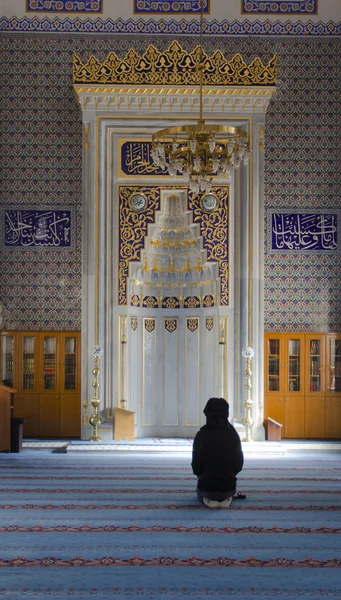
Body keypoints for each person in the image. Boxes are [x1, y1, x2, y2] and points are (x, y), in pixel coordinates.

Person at [191, 397, 244, 509]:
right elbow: (239, 464)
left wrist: (202, 476)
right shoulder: (233, 434)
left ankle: (209, 499)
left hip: (207, 488)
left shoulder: (201, 434)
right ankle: (225, 498)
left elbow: (196, 465)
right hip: (228, 488)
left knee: (202, 489)